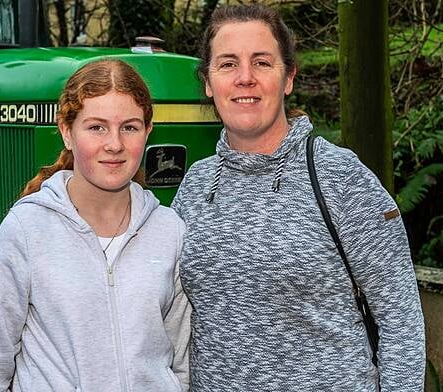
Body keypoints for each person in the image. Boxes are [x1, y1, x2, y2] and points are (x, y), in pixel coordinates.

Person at [171, 4, 425, 391]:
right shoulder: (195, 186)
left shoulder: (340, 177)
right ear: (207, 82)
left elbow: (400, 320)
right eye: (227, 64)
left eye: (261, 62)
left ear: (288, 78)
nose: (245, 78)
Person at [0, 59, 191, 392]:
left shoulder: (169, 230)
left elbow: (181, 360)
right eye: (96, 127)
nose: (114, 144)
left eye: (129, 127)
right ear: (67, 131)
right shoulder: (26, 230)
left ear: (147, 132)